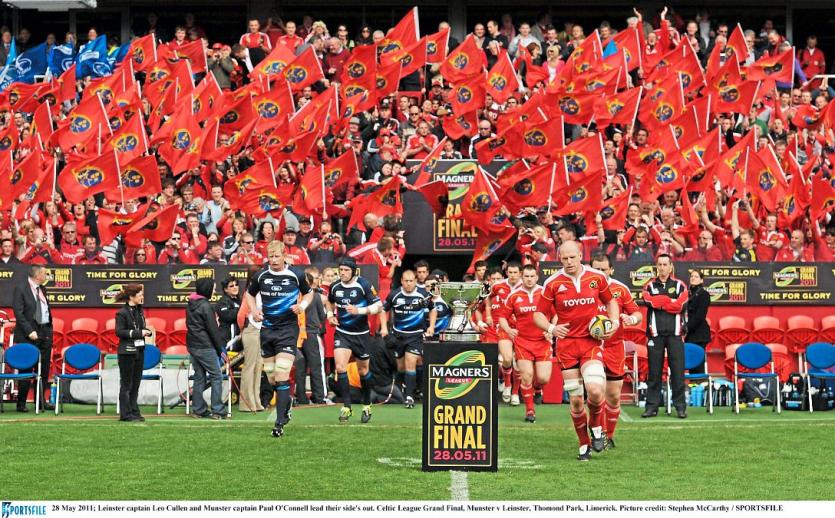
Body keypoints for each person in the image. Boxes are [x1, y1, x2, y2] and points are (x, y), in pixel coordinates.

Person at [533, 241, 619, 461]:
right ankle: (583, 444)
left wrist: (614, 322)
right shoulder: (552, 283)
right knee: (577, 400)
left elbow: (610, 302)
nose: (569, 262)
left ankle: (597, 427)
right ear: (559, 259)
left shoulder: (596, 277)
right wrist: (551, 328)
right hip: (567, 347)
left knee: (596, 391)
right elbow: (538, 314)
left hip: (591, 342)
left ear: (581, 255)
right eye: (564, 258)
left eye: (572, 257)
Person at [245, 241, 314, 437]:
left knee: (282, 374)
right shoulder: (261, 276)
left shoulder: (296, 274)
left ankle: (279, 422)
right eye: (271, 257)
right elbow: (249, 294)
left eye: (277, 256)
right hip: (267, 331)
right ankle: (287, 403)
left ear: (285, 255)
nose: (274, 260)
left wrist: (301, 306)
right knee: (272, 378)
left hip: (287, 331)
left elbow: (309, 293)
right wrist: (254, 310)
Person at [590, 253, 642, 448]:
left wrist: (632, 319)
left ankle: (609, 435)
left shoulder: (620, 289)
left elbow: (637, 313)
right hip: (591, 346)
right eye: (596, 269)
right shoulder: (585, 288)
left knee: (613, 395)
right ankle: (598, 434)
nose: (600, 272)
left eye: (603, 269)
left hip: (614, 347)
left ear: (611, 270)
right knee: (596, 393)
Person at [326, 257, 383, 423]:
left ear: (353, 271)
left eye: (346, 270)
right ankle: (347, 407)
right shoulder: (335, 286)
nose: (343, 273)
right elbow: (329, 302)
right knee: (340, 367)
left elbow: (379, 306)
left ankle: (366, 404)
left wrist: (359, 310)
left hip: (361, 334)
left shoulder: (363, 285)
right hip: (342, 333)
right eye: (341, 270)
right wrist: (330, 315)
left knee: (363, 371)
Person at [499, 265, 553, 423]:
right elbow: (502, 317)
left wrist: (551, 329)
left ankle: (537, 389)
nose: (529, 279)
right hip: (523, 342)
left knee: (543, 379)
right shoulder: (514, 296)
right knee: (526, 375)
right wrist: (508, 330)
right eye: (526, 276)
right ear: (522, 277)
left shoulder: (545, 293)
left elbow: (557, 314)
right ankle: (530, 411)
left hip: (542, 341)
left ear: (537, 277)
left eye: (532, 276)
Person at [640, 254, 689, 419]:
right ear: (657, 267)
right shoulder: (649, 286)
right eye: (659, 264)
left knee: (678, 373)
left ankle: (680, 408)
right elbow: (649, 301)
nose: (662, 267)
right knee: (654, 373)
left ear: (670, 266)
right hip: (655, 335)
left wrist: (661, 303)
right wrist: (669, 301)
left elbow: (681, 306)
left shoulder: (680, 285)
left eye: (665, 264)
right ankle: (651, 407)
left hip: (675, 335)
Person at [379, 270, 436, 409]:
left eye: (411, 281)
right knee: (401, 367)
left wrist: (431, 326)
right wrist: (384, 328)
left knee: (411, 363)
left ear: (415, 281)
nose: (409, 284)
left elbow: (433, 309)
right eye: (406, 281)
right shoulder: (394, 294)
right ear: (402, 281)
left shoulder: (423, 295)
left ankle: (409, 397)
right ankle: (402, 388)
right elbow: (383, 310)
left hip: (415, 336)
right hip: (398, 336)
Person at [12, 265, 54, 412]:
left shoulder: (42, 289)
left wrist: (49, 329)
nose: (46, 276)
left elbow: (44, 310)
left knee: (43, 368)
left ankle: (40, 401)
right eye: (45, 274)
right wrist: (29, 331)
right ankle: (21, 403)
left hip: (44, 332)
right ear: (37, 275)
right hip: (27, 335)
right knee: (26, 369)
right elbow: (18, 312)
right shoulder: (21, 288)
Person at [186, 278, 227, 420]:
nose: (214, 291)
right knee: (216, 376)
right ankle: (218, 410)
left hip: (193, 346)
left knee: (199, 377)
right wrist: (220, 350)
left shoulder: (190, 304)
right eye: (213, 288)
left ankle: (198, 410)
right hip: (205, 346)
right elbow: (213, 330)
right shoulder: (206, 306)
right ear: (207, 289)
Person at [114, 284, 153, 422]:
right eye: (140, 295)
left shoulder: (139, 311)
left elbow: (141, 328)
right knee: (127, 384)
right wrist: (138, 333)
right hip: (126, 352)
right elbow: (119, 332)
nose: (142, 297)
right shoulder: (122, 313)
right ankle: (125, 413)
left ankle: (134, 410)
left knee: (136, 383)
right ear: (132, 296)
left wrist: (146, 332)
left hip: (139, 350)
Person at [294, 267, 328, 405]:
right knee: (316, 366)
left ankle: (301, 397)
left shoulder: (294, 296)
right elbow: (322, 316)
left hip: (296, 334)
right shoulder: (315, 296)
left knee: (300, 367)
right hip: (311, 333)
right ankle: (319, 397)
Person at [685, 269, 711, 375]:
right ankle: (693, 383)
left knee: (698, 364)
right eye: (692, 276)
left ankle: (700, 383)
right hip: (690, 334)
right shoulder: (688, 294)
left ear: (701, 280)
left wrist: (686, 327)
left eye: (696, 277)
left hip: (699, 334)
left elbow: (700, 316)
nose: (693, 278)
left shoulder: (704, 294)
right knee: (691, 363)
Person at [215, 276, 241, 347]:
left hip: (238, 339)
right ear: (226, 289)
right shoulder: (222, 302)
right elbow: (229, 316)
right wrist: (242, 310)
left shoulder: (239, 301)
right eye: (231, 286)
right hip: (227, 340)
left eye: (236, 285)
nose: (235, 287)